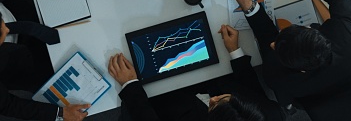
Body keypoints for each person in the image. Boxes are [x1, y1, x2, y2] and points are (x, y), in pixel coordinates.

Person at [229, 0, 351, 106]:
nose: (272, 44)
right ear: (310, 29)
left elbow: (267, 38)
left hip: (323, 92)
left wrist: (248, 6)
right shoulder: (347, 36)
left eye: (276, 47)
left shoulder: (277, 78)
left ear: (302, 71)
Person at [108, 25, 286, 121]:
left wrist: (129, 84)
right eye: (225, 98)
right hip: (215, 78)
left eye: (215, 105)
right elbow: (253, 91)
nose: (214, 98)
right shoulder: (271, 114)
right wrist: (235, 52)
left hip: (167, 103)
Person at [0, 7, 90, 120]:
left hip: (14, 55)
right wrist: (60, 112)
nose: (7, 30)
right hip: (12, 72)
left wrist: (47, 33)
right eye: (2, 33)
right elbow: (6, 106)